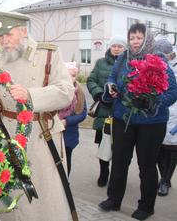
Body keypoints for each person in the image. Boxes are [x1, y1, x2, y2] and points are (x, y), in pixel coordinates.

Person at [0, 11, 75, 221]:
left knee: (46, 197)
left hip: (42, 137)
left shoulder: (48, 54)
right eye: (0, 36)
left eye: (9, 35)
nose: (4, 41)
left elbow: (66, 92)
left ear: (24, 31)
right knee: (12, 197)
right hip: (6, 139)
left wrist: (31, 96)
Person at [99, 23, 177, 221]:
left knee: (147, 166)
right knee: (119, 162)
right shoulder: (123, 58)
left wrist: (153, 102)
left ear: (146, 39)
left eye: (139, 37)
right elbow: (112, 78)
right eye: (132, 37)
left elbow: (172, 91)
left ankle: (146, 206)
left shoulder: (157, 59)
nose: (135, 41)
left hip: (151, 123)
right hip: (123, 119)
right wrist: (111, 88)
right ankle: (113, 199)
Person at [86, 36, 127, 187]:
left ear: (125, 49)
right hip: (104, 110)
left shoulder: (129, 64)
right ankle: (104, 173)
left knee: (121, 148)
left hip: (122, 111)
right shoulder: (100, 63)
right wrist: (98, 94)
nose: (116, 48)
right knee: (103, 145)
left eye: (120, 46)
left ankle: (118, 176)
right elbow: (91, 80)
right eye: (114, 45)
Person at [154, 39, 177, 196]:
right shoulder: (154, 66)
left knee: (172, 149)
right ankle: (163, 176)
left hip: (175, 114)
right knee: (157, 149)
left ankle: (165, 180)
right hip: (158, 112)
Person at [58, 61, 87, 176]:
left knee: (66, 160)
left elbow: (82, 114)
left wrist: (67, 121)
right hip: (54, 133)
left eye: (73, 76)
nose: (71, 78)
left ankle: (65, 183)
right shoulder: (55, 91)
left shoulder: (79, 92)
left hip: (69, 135)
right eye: (67, 75)